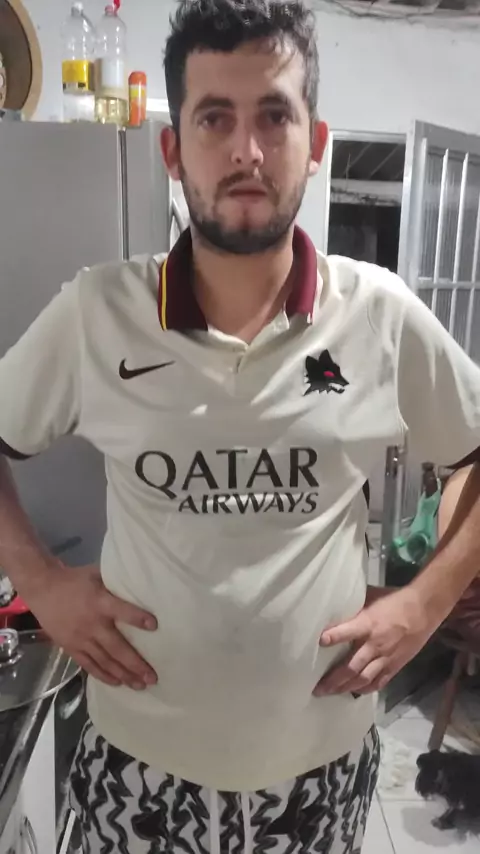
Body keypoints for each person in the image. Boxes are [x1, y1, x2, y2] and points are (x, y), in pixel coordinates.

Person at [1, 1, 480, 851]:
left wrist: (426, 603)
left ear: (315, 141)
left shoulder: (381, 315)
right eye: (215, 118)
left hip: (322, 771)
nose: (247, 151)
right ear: (172, 148)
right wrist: (39, 579)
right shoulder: (96, 313)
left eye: (274, 116)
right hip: (139, 764)